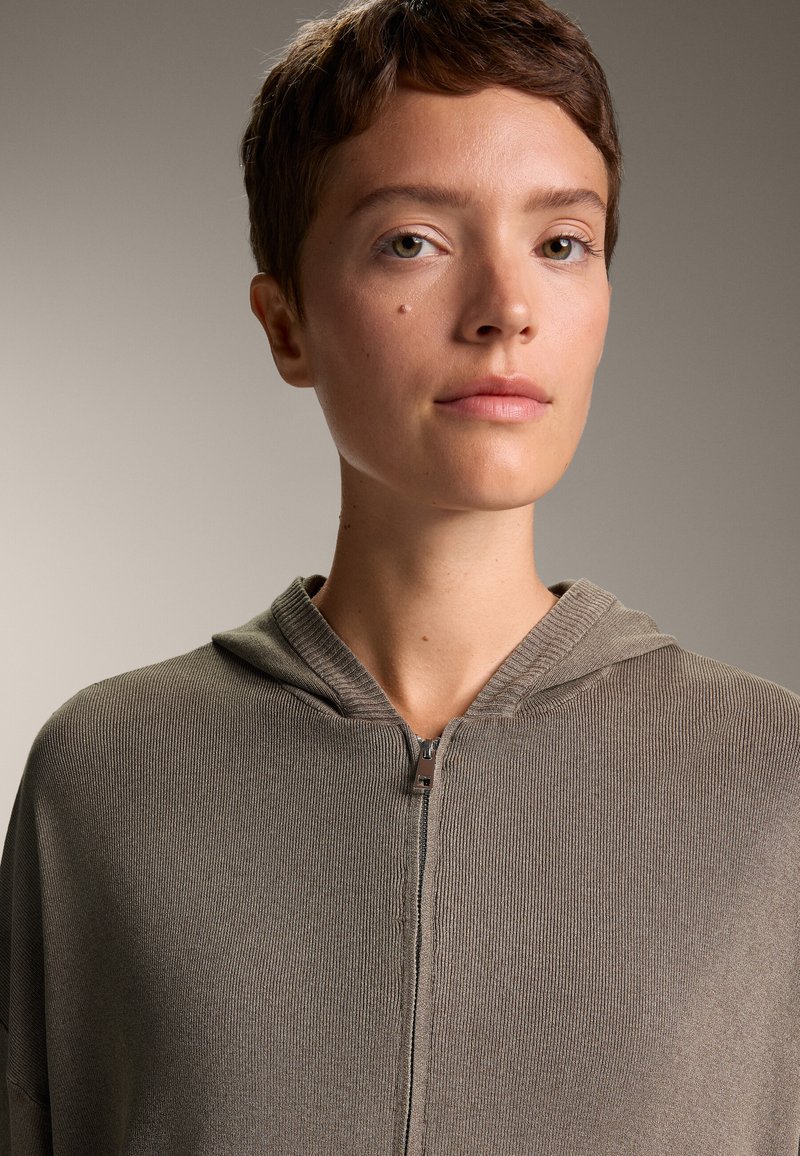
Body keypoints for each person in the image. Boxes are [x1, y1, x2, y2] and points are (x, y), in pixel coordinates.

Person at [1, 0, 798, 1151]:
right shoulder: (106, 777)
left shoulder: (770, 781)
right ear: (286, 323)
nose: (505, 310)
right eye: (412, 241)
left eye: (560, 243)